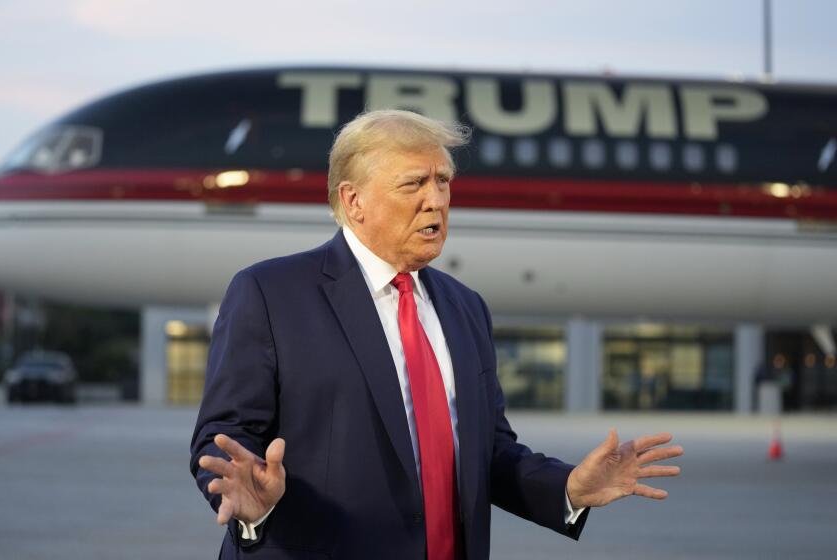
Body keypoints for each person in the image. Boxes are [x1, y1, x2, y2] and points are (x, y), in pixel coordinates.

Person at [190, 109, 683, 559]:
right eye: (414, 184)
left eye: (443, 181)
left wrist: (569, 489)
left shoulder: (465, 307)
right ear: (353, 199)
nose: (436, 200)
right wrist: (251, 499)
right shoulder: (270, 293)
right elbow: (225, 438)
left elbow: (489, 452)